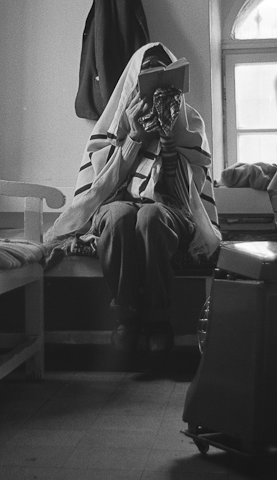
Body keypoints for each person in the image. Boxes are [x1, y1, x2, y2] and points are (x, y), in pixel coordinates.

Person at [44, 42, 221, 353]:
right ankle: (126, 316)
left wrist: (168, 137)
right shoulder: (114, 123)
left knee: (150, 216)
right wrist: (134, 137)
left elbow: (183, 194)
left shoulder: (189, 124)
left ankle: (158, 319)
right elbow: (101, 186)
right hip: (117, 202)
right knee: (118, 216)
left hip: (168, 208)